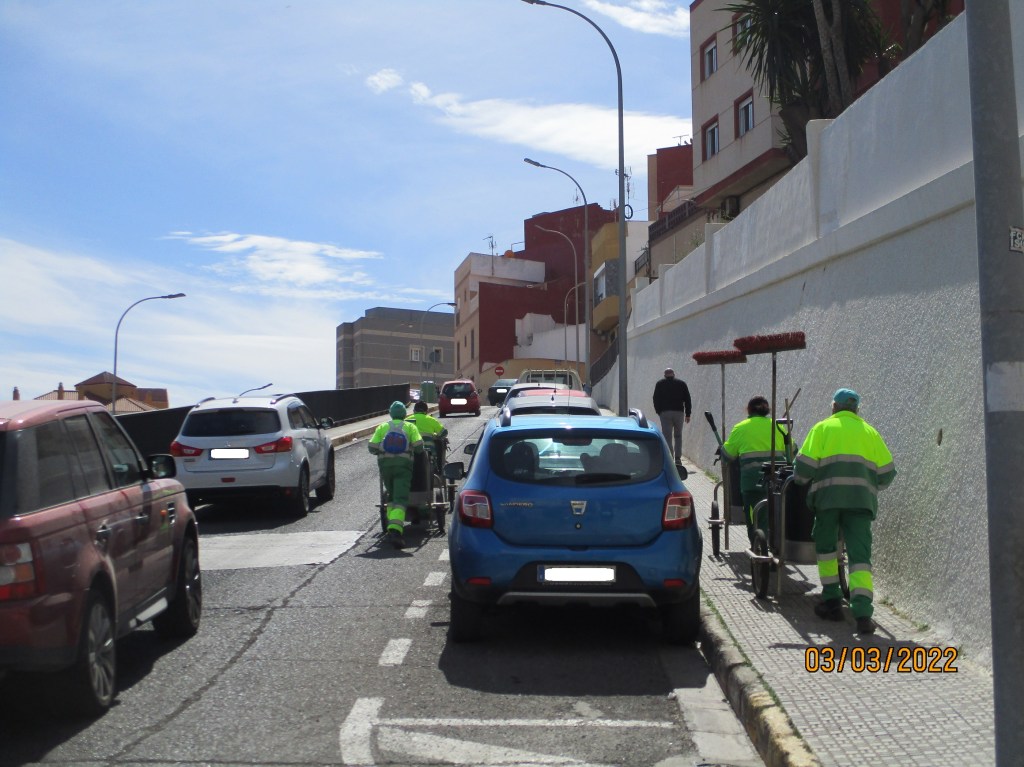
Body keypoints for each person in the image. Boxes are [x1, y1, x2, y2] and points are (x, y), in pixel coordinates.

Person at [794, 389, 896, 634]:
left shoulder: (822, 429)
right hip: (860, 504)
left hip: (827, 502)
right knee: (860, 558)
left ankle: (832, 602)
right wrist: (868, 486)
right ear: (857, 409)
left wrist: (800, 480)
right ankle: (862, 614)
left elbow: (804, 468)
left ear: (834, 407)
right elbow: (887, 474)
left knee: (827, 550)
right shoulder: (870, 432)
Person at [721, 395, 790, 545]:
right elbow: (792, 450)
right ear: (767, 410)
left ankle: (757, 544)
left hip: (752, 483)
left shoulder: (741, 428)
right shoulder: (778, 426)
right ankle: (772, 543)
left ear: (748, 409)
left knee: (753, 516)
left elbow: (727, 455)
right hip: (777, 481)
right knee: (773, 513)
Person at [368, 401, 424, 548]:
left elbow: (371, 447)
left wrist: (382, 450)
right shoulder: (410, 427)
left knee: (391, 497)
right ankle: (395, 530)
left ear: (391, 413)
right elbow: (419, 446)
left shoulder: (383, 427)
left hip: (385, 466)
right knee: (400, 499)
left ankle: (391, 526)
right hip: (403, 467)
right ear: (404, 414)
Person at [653, 367, 692, 466]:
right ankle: (678, 459)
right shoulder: (681, 384)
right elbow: (687, 399)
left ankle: (670, 458)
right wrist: (688, 414)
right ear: (673, 374)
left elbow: (655, 399)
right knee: (678, 435)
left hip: (665, 413)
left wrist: (659, 411)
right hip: (679, 413)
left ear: (665, 375)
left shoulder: (660, 384)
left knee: (667, 436)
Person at [406, 400, 448, 472]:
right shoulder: (431, 420)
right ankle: (436, 470)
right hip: (428, 453)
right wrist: (435, 436)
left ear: (414, 411)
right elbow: (444, 433)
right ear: (426, 411)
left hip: (410, 453)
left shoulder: (407, 420)